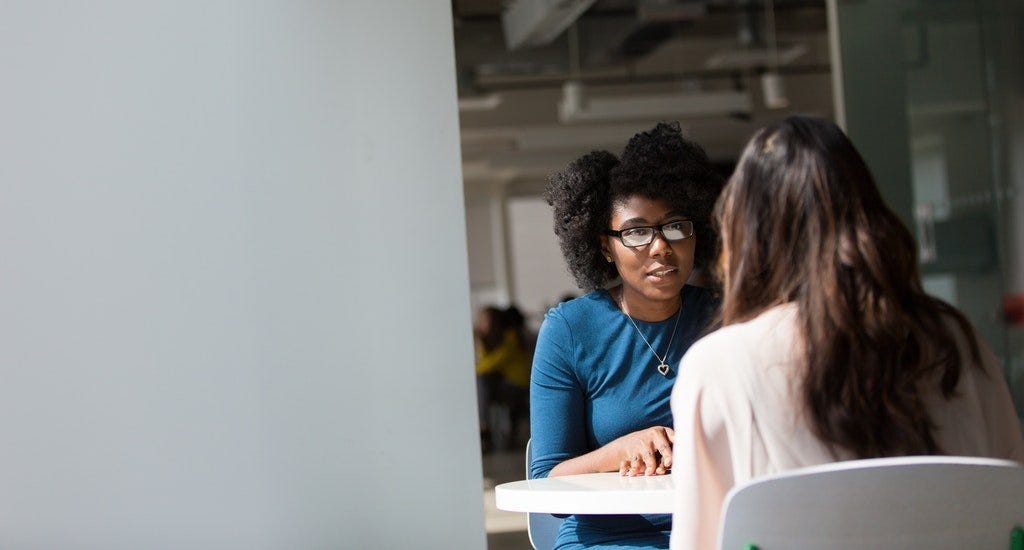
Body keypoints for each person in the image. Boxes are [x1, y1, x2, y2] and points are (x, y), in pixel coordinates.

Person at [669, 116, 1024, 550]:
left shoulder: (718, 366)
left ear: (748, 234)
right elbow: (1012, 511)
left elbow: (697, 543)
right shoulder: (956, 341)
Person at [531, 122, 724, 549]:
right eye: (637, 232)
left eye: (676, 226)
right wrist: (622, 450)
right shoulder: (570, 330)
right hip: (607, 540)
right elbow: (546, 484)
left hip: (715, 531)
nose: (660, 247)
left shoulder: (724, 319)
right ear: (604, 246)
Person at [475, 305, 532, 451]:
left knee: (482, 382)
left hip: (518, 386)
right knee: (483, 383)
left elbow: (488, 365)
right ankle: (484, 429)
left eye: (483, 320)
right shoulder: (495, 341)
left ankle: (484, 429)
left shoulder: (511, 338)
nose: (479, 324)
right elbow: (485, 365)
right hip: (505, 385)